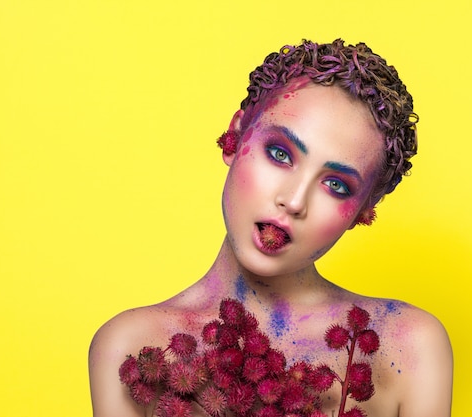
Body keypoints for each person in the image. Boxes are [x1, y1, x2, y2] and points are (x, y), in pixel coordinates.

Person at [89, 39, 453, 417]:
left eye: (336, 185)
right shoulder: (132, 348)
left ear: (363, 212)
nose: (294, 201)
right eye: (280, 154)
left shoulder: (407, 347)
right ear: (236, 135)